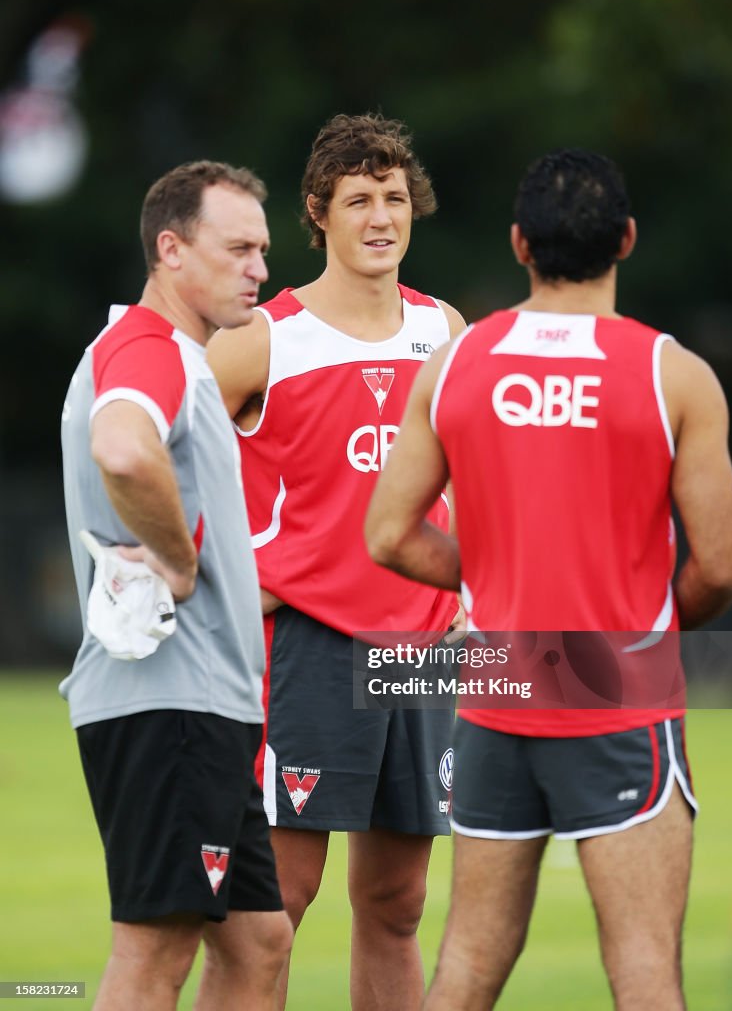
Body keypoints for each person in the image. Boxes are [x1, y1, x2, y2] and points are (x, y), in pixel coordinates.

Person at [365, 148, 732, 1010]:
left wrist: (499, 584)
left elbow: (388, 535)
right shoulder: (672, 374)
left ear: (517, 244)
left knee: (463, 966)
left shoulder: (456, 364)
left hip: (497, 686)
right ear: (626, 239)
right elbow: (718, 568)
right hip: (620, 694)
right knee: (645, 972)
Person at [207, 112, 466, 1009]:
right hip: (311, 650)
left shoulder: (444, 330)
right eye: (358, 199)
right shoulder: (263, 340)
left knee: (397, 904)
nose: (381, 216)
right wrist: (231, 575)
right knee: (272, 907)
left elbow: (461, 471)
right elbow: (155, 445)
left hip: (424, 654)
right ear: (318, 214)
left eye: (394, 197)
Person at [60, 160, 293, 1011]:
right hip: (169, 706)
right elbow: (122, 447)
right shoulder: (148, 349)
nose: (259, 269)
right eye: (237, 248)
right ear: (171, 251)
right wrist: (183, 562)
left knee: (260, 943)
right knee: (155, 954)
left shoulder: (181, 357)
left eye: (262, 250)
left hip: (204, 708)